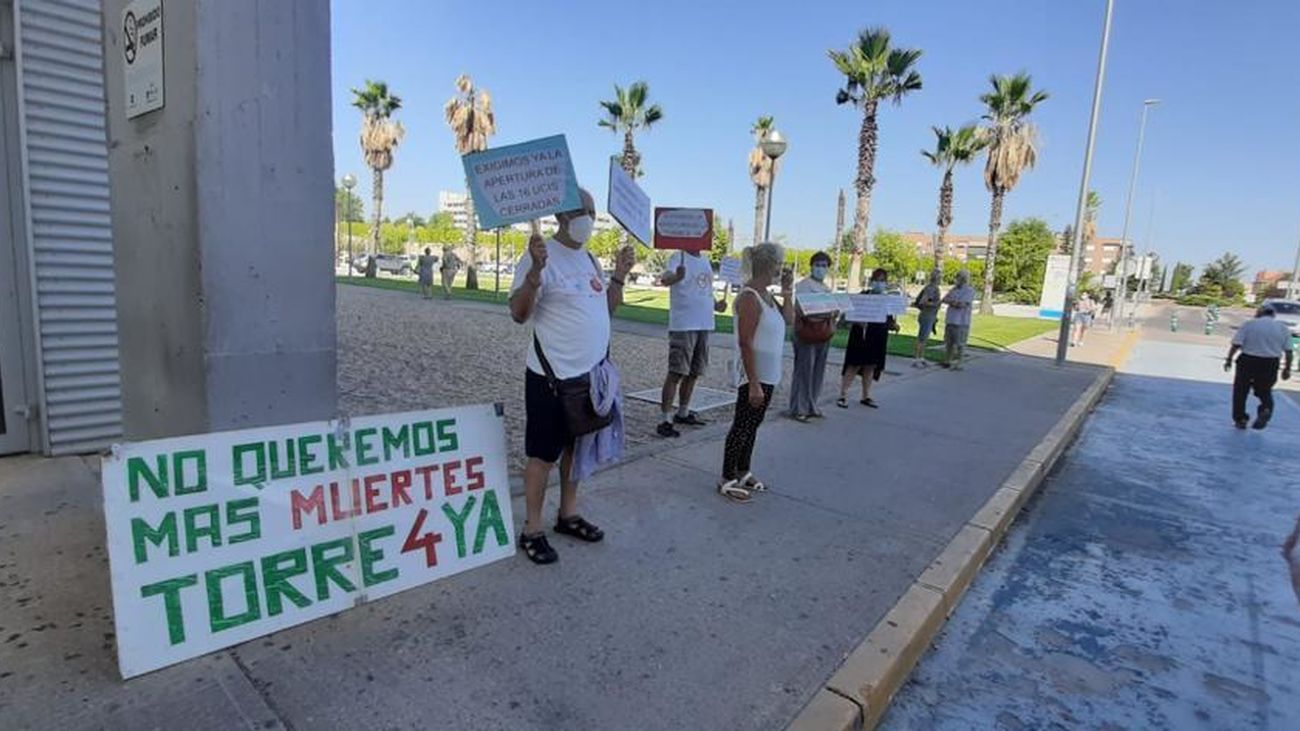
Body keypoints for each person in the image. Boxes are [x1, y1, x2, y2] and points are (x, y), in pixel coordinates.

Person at [508, 188, 636, 564]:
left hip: (589, 378)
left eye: (593, 212)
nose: (589, 219)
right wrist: (535, 273)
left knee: (576, 449)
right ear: (561, 215)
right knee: (542, 455)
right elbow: (519, 313)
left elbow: (606, 309)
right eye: (583, 211)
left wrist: (619, 276)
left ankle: (568, 514)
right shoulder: (541, 255)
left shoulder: (590, 259)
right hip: (551, 377)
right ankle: (532, 528)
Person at [717, 243, 793, 503]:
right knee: (742, 425)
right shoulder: (750, 297)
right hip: (754, 373)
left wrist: (788, 291)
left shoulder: (767, 296)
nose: (781, 269)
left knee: (753, 425)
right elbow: (745, 342)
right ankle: (727, 476)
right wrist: (753, 383)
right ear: (768, 266)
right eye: (779, 264)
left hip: (768, 372)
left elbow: (789, 319)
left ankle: (743, 469)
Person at [656, 248, 726, 437]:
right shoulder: (678, 257)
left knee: (694, 372)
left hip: (704, 323)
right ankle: (665, 419)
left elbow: (705, 289)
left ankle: (683, 412)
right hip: (684, 324)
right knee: (676, 372)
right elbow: (665, 279)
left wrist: (716, 304)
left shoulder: (705, 260)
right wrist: (677, 277)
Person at [1223, 304, 1293, 430]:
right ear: (1273, 314)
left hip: (1248, 360)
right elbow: (1289, 351)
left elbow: (1236, 344)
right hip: (1270, 362)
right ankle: (1265, 409)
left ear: (1259, 313)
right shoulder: (1282, 328)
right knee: (1265, 390)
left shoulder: (1249, 324)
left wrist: (1229, 359)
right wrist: (1287, 369)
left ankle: (1240, 419)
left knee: (1240, 391)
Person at [837, 268, 899, 408]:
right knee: (854, 365)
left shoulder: (886, 300)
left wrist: (894, 326)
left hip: (878, 337)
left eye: (882, 280)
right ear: (871, 281)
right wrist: (858, 321)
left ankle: (866, 395)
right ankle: (843, 395)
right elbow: (848, 315)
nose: (879, 283)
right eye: (877, 280)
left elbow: (888, 320)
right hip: (860, 336)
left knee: (870, 366)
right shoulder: (862, 296)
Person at [789, 251, 838, 422]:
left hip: (823, 333)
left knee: (818, 371)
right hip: (806, 332)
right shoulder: (804, 285)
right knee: (804, 371)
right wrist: (826, 312)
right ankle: (798, 408)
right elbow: (803, 309)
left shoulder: (826, 288)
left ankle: (812, 405)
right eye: (818, 265)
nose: (821, 268)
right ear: (811, 266)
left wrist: (832, 312)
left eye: (824, 265)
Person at [941, 269, 976, 370]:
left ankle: (959, 363)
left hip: (961, 322)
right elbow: (944, 299)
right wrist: (954, 302)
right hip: (950, 320)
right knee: (949, 343)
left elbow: (962, 304)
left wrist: (952, 302)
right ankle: (947, 361)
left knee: (960, 343)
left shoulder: (969, 291)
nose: (957, 280)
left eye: (959, 277)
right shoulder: (953, 289)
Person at [912, 269, 942, 368]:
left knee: (924, 338)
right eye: (939, 277)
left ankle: (921, 357)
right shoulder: (932, 288)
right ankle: (917, 359)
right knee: (922, 338)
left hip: (929, 315)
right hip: (927, 315)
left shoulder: (931, 287)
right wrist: (936, 304)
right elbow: (923, 301)